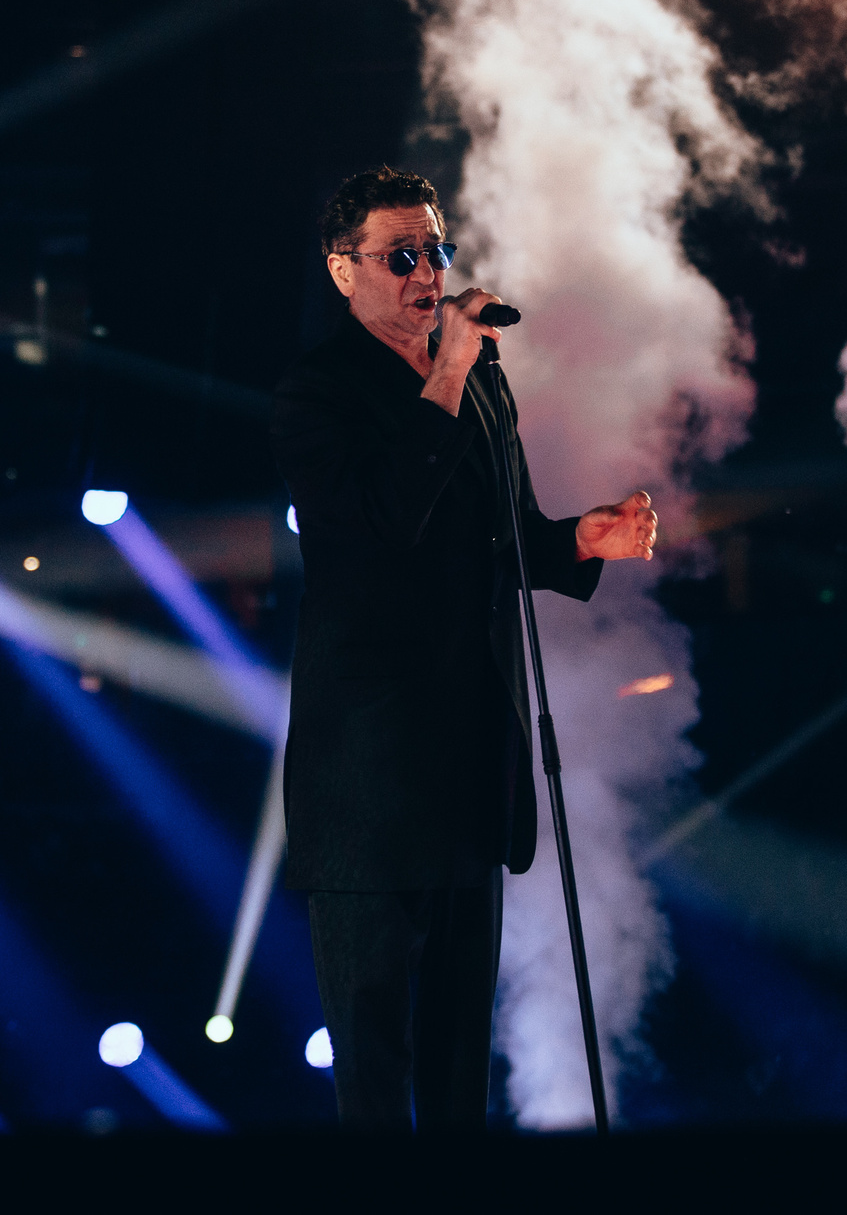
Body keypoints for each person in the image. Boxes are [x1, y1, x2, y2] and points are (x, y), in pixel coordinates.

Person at [271, 166, 660, 1130]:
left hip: (466, 768)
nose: (426, 273)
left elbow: (505, 535)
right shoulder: (319, 394)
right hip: (366, 783)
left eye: (436, 250)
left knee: (457, 1069)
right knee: (376, 1072)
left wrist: (583, 537)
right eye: (400, 255)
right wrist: (445, 369)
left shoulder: (482, 381)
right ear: (341, 270)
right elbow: (385, 522)